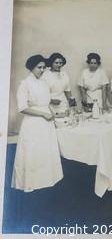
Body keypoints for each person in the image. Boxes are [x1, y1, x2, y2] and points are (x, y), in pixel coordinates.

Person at [12, 55, 63, 192]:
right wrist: (42, 114)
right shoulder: (25, 83)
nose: (41, 70)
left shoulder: (43, 83)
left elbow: (45, 103)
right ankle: (32, 184)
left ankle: (47, 181)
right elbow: (22, 107)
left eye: (43, 67)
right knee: (34, 153)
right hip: (33, 124)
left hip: (46, 123)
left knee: (46, 152)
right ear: (31, 67)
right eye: (38, 67)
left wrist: (53, 114)